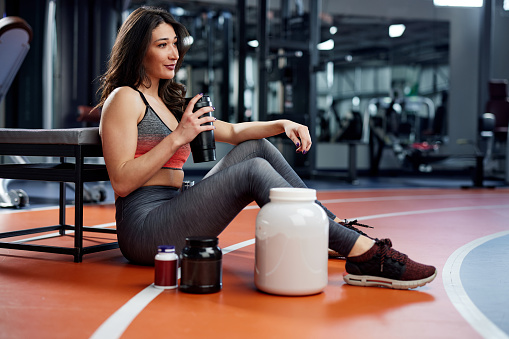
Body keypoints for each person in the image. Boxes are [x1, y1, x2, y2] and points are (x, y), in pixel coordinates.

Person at [97, 6, 436, 290]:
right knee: (253, 171)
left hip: (174, 207)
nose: (174, 54)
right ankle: (364, 253)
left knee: (255, 148)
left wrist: (281, 124)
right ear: (139, 49)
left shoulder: (168, 100)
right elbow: (122, 182)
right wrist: (177, 137)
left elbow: (232, 131)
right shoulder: (124, 98)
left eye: (174, 44)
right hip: (145, 228)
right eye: (162, 45)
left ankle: (331, 229)